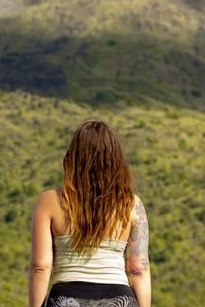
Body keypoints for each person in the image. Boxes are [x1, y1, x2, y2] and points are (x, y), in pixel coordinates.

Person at [28, 120, 151, 307]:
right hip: (119, 300)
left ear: (73, 158)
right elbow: (138, 269)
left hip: (66, 299)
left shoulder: (49, 201)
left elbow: (41, 266)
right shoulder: (132, 204)